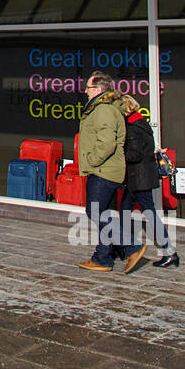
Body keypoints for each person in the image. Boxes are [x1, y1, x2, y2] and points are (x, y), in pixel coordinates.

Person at [117, 94, 179, 272]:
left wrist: (118, 155)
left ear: (125, 109)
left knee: (148, 213)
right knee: (124, 211)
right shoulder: (141, 122)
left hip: (139, 178)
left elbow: (134, 154)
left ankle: (169, 252)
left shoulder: (132, 127)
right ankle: (125, 247)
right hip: (139, 177)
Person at [76, 72, 127, 272]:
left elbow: (106, 144)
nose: (85, 92)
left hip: (103, 170)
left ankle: (130, 245)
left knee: (94, 211)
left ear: (98, 90)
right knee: (102, 212)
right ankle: (103, 256)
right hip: (104, 169)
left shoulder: (104, 109)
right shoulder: (101, 108)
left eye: (88, 88)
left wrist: (91, 161)